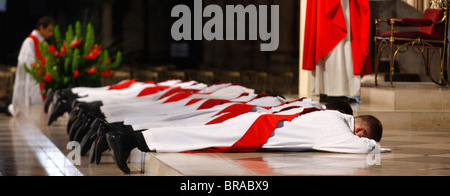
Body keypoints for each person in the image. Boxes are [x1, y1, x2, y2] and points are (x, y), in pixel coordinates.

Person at [105, 108, 383, 174]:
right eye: (365, 135)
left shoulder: (335, 116)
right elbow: (358, 149)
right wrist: (376, 145)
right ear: (360, 131)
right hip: (261, 131)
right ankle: (127, 139)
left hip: (261, 127)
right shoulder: (336, 126)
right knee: (196, 136)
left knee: (197, 134)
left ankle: (128, 139)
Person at [8, 16, 54, 116]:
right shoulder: (29, 42)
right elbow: (25, 64)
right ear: (41, 27)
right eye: (49, 30)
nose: (51, 34)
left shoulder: (44, 43)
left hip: (42, 83)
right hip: (31, 82)